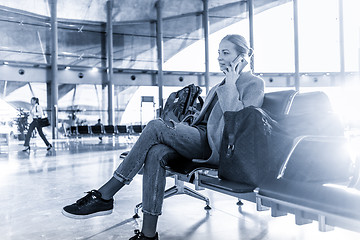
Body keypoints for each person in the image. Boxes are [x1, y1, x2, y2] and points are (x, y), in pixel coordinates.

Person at [62, 34, 265, 240]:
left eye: (226, 53)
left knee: (155, 126)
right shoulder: (219, 84)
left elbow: (240, 124)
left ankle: (106, 194)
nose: (220, 58)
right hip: (198, 137)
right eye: (218, 53)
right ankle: (148, 234)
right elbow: (206, 120)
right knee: (156, 152)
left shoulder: (253, 84)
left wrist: (231, 84)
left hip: (215, 147)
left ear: (243, 56)